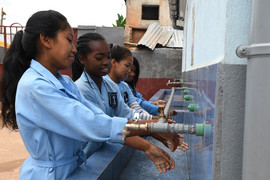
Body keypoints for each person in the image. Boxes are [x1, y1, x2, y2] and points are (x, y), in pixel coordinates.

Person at [0, 10, 180, 179]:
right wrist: (150, 127)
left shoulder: (65, 82)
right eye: (69, 40)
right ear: (46, 40)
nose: (73, 49)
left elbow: (99, 116)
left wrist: (152, 125)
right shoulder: (36, 87)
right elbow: (91, 124)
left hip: (71, 168)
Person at [72, 32, 188, 170]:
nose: (105, 62)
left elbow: (128, 115)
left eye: (108, 57)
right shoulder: (82, 89)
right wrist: (150, 137)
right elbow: (105, 126)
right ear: (82, 59)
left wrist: (156, 129)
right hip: (86, 157)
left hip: (102, 150)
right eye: (99, 58)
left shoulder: (111, 87)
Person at [106, 44, 158, 120]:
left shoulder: (124, 86)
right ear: (114, 62)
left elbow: (135, 107)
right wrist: (151, 119)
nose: (129, 71)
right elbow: (125, 112)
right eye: (127, 66)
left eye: (131, 67)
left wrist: (149, 119)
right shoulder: (106, 85)